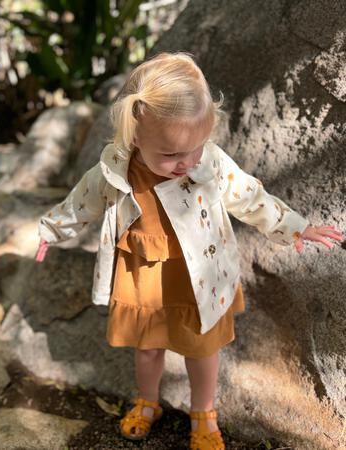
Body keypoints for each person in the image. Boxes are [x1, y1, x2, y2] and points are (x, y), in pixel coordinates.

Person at [34, 52, 343, 449]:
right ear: (134, 136)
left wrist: (294, 227)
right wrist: (51, 229)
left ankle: (204, 412)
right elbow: (82, 203)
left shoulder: (208, 162)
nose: (186, 163)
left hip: (197, 274)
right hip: (142, 275)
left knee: (202, 350)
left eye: (195, 148)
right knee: (147, 350)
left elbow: (249, 196)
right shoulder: (114, 170)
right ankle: (147, 401)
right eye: (171, 155)